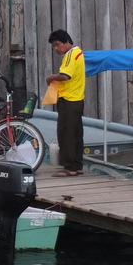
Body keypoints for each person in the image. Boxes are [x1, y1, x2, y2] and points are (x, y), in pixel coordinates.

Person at [46, 29, 85, 177]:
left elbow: (65, 76)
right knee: (76, 133)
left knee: (66, 134)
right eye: (54, 46)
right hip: (77, 99)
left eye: (57, 45)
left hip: (68, 99)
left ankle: (69, 167)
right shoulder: (79, 53)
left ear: (67, 42)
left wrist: (51, 78)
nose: (56, 49)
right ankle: (77, 164)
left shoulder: (70, 55)